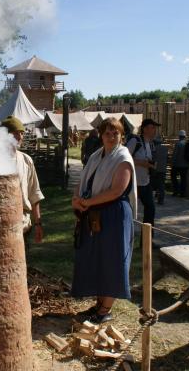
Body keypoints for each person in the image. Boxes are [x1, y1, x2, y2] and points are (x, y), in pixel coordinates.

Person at [71, 117, 137, 323]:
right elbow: (82, 181)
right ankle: (99, 306)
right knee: (98, 259)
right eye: (107, 133)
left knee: (112, 260)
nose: (111, 136)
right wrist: (76, 199)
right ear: (101, 135)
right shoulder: (96, 156)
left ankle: (104, 310)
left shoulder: (122, 157)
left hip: (114, 215)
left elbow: (117, 190)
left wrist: (88, 202)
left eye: (115, 133)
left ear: (121, 136)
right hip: (94, 212)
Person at [0, 116, 45, 254]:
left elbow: (34, 194)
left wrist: (38, 223)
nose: (20, 136)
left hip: (23, 224)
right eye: (15, 132)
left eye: (21, 132)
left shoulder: (26, 160)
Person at [126, 118, 160, 226]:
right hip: (133, 183)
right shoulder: (135, 141)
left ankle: (147, 241)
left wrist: (151, 165)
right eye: (153, 128)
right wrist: (142, 163)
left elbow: (147, 159)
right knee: (129, 212)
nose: (155, 130)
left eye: (155, 128)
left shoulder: (150, 144)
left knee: (150, 209)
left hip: (145, 182)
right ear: (145, 129)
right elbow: (124, 159)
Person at [171, 130, 189, 197]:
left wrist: (172, 162)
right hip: (186, 165)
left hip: (177, 164)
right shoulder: (187, 143)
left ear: (179, 136)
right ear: (185, 136)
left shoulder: (178, 144)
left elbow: (175, 154)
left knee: (173, 176)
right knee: (183, 179)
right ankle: (183, 193)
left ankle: (176, 191)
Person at [152, 137, 168, 205]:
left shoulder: (153, 148)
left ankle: (152, 197)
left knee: (152, 184)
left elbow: (152, 158)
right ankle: (161, 199)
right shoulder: (165, 149)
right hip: (163, 169)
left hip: (155, 168)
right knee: (161, 185)